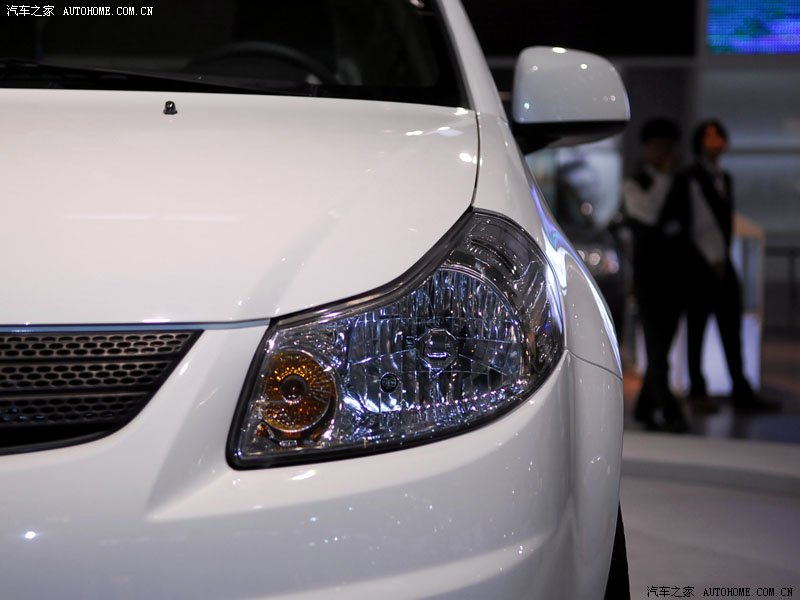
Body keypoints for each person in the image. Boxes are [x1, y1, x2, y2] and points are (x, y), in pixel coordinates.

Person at [671, 119, 778, 413]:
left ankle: (740, 389)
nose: (716, 141)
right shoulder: (689, 177)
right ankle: (698, 391)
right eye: (710, 136)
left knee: (731, 330)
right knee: (697, 331)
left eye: (719, 136)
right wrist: (710, 257)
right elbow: (695, 224)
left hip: (722, 265)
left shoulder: (724, 178)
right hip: (698, 267)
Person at [623, 118, 689, 432]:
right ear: (646, 148)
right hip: (649, 279)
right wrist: (663, 177)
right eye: (658, 145)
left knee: (662, 347)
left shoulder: (682, 182)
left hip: (676, 276)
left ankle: (644, 408)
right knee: (657, 350)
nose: (663, 151)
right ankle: (671, 413)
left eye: (667, 146)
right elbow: (648, 214)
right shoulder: (633, 183)